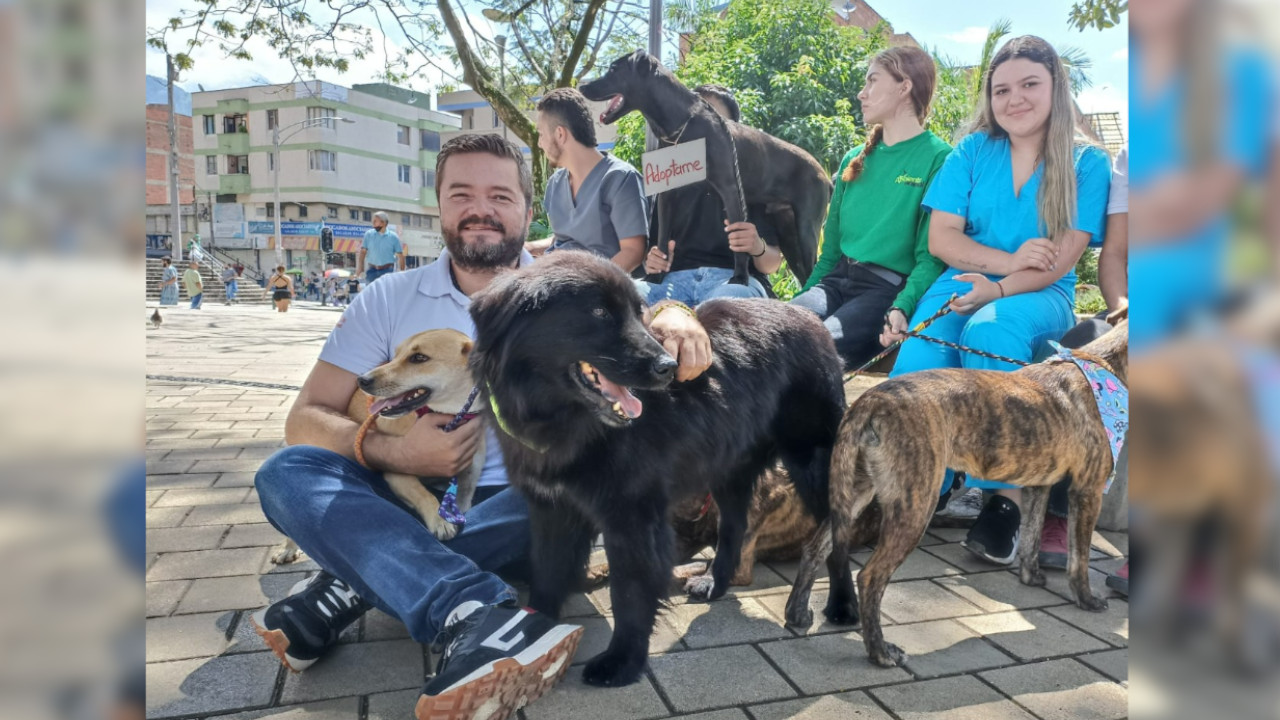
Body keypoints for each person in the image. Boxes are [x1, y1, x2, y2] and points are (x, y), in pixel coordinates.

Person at [250, 134, 711, 719]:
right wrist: (396, 454)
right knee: (287, 472)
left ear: (528, 208)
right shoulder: (387, 297)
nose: (480, 210)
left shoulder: (570, 285)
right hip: (405, 496)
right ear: (439, 203)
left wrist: (679, 312)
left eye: (500, 195)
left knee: (569, 487)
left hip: (522, 505)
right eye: (461, 193)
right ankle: (471, 609)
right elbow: (305, 418)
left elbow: (645, 303)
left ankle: (349, 584)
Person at [889, 36, 1112, 565]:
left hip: (1041, 294)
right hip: (963, 281)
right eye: (1001, 89)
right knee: (916, 363)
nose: (1015, 99)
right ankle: (923, 483)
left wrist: (1003, 287)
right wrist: (1007, 263)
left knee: (991, 329)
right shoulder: (972, 151)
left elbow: (1059, 261)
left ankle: (1003, 497)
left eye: (1030, 84)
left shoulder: (1087, 163)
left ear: (1056, 87)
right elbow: (942, 239)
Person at [789, 46, 954, 370]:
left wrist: (902, 306)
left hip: (884, 290)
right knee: (779, 331)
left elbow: (930, 256)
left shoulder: (939, 159)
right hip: (835, 282)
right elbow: (830, 254)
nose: (861, 93)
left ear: (904, 87)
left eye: (872, 81)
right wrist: (797, 308)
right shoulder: (854, 159)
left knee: (813, 351)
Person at [640, 85, 780, 304]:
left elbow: (772, 263)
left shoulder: (752, 182)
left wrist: (756, 246)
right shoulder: (668, 181)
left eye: (713, 121)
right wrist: (653, 262)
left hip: (735, 282)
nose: (702, 128)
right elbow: (652, 258)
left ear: (733, 131)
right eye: (694, 119)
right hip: (674, 282)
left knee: (722, 305)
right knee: (628, 295)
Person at [528, 87, 648, 272]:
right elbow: (564, 239)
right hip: (553, 276)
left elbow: (633, 252)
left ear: (560, 134)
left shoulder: (620, 179)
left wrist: (588, 283)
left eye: (541, 134)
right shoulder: (556, 183)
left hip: (597, 282)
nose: (539, 143)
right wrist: (528, 248)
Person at [357, 212, 405, 285]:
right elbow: (363, 252)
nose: (373, 223)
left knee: (386, 291)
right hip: (371, 271)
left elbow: (400, 256)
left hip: (387, 271)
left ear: (383, 223)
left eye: (375, 221)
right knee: (371, 291)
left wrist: (402, 272)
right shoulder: (369, 235)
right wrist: (360, 268)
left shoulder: (393, 237)